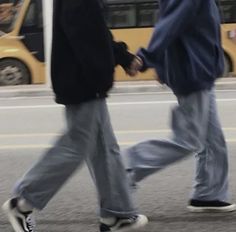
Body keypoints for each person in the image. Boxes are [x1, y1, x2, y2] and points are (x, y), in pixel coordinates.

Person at [1, 0, 148, 231]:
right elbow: (87, 36)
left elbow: (96, 31)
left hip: (83, 79)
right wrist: (103, 76)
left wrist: (124, 57)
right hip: (83, 81)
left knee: (104, 148)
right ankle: (24, 202)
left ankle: (116, 213)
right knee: (76, 145)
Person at [124, 0, 236, 213]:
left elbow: (176, 23)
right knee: (188, 139)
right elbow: (170, 24)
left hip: (200, 70)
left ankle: (208, 194)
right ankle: (124, 168)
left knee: (213, 139)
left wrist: (160, 61)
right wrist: (149, 58)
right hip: (192, 71)